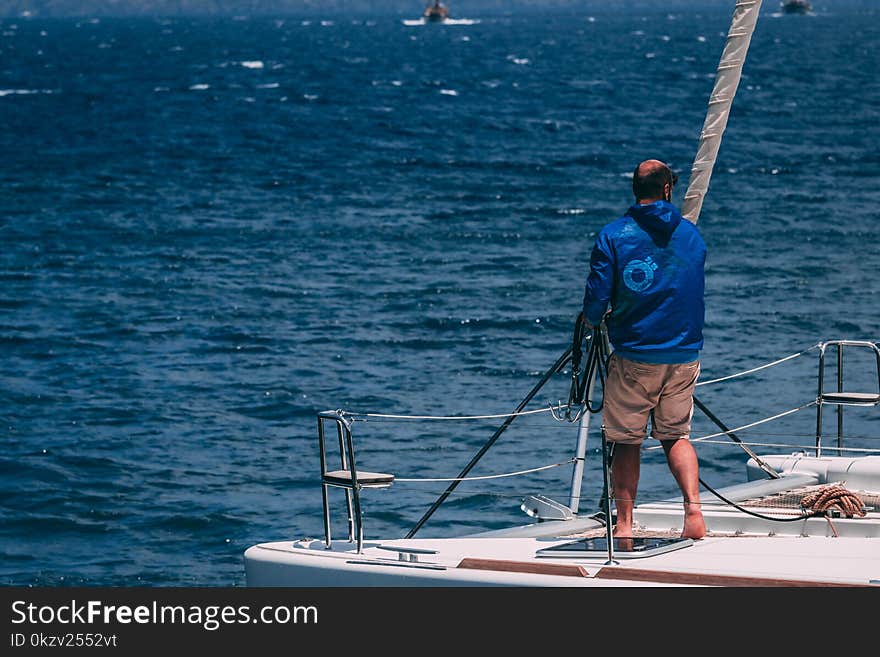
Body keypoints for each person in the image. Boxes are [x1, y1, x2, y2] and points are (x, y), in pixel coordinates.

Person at [581, 159, 707, 540]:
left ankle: (623, 523)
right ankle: (694, 513)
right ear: (668, 189)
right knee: (676, 436)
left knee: (626, 439)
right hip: (684, 355)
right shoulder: (691, 235)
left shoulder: (614, 235)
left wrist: (593, 318)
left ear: (635, 189)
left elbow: (595, 302)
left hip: (636, 355)